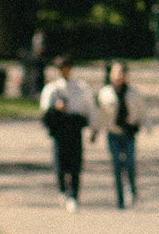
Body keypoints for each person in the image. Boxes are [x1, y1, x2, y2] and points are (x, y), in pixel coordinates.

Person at [40, 57, 96, 210]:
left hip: (74, 128)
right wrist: (56, 109)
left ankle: (74, 194)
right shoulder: (52, 89)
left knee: (75, 164)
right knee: (60, 163)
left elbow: (89, 108)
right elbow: (45, 112)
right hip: (59, 129)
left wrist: (92, 128)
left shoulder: (81, 87)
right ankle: (62, 191)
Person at [97, 61, 145, 209]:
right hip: (114, 133)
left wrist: (141, 124)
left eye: (121, 73)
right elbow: (102, 115)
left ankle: (131, 189)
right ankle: (120, 199)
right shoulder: (105, 93)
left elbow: (141, 111)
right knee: (117, 165)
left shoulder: (133, 93)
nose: (118, 76)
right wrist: (95, 131)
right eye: (115, 73)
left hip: (129, 133)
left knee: (130, 163)